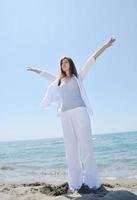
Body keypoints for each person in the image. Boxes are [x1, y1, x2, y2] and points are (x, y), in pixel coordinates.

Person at [27, 37, 116, 193]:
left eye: (66, 62)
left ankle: (92, 182)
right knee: (71, 150)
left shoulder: (78, 77)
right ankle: (75, 182)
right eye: (62, 62)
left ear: (71, 64)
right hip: (65, 116)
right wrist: (35, 70)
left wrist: (106, 46)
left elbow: (92, 59)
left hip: (80, 112)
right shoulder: (58, 81)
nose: (64, 64)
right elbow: (46, 75)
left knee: (86, 147)